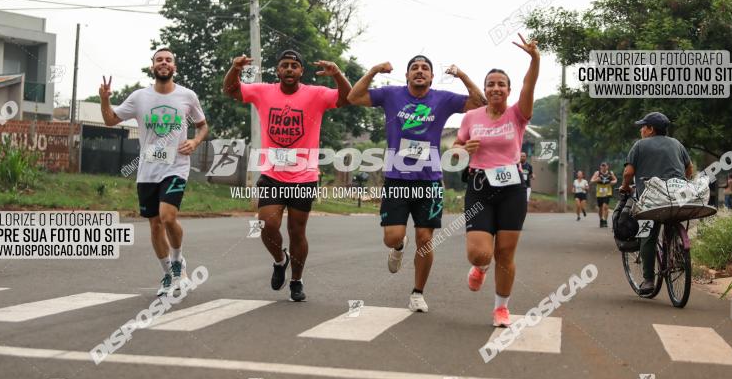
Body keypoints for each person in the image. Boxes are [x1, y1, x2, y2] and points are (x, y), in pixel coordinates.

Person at [347, 57, 486, 313]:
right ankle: (399, 247)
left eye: (425, 69)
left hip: (429, 180)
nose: (420, 72)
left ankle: (417, 292)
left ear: (431, 77)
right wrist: (375, 70)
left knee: (425, 239)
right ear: (407, 75)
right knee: (392, 237)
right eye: (415, 68)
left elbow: (480, 102)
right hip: (397, 178)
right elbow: (354, 97)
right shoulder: (391, 94)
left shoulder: (442, 99)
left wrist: (462, 75)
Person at [223, 49, 350, 302]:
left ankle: (296, 280)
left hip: (304, 175)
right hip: (272, 174)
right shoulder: (263, 91)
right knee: (267, 224)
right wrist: (235, 68)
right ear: (278, 71)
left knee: (296, 231)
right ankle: (280, 260)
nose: (289, 69)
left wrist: (337, 74)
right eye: (285, 65)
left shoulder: (316, 94)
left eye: (294, 65)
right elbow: (231, 90)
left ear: (301, 71)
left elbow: (347, 98)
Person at [99, 48, 208, 296]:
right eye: (159, 59)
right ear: (153, 66)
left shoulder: (187, 96)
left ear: (174, 67)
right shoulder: (139, 97)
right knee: (155, 226)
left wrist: (195, 141)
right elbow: (110, 120)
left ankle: (179, 262)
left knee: (168, 217)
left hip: (177, 167)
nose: (164, 63)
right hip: (148, 170)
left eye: (169, 59)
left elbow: (202, 126)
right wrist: (105, 99)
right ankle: (168, 273)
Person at [453, 34, 540, 327]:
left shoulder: (518, 114)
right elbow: (454, 151)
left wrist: (534, 59)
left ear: (508, 90)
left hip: (512, 189)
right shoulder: (471, 117)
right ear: (486, 88)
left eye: (501, 84)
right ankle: (480, 267)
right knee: (479, 252)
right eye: (491, 84)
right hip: (479, 187)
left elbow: (529, 86)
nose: (495, 88)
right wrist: (463, 150)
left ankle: (501, 307)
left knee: (505, 251)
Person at [619, 112, 694, 294]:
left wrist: (624, 187)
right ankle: (675, 249)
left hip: (651, 202)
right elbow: (689, 168)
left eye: (643, 126)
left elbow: (628, 173)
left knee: (647, 235)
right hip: (677, 198)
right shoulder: (677, 144)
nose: (641, 129)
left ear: (651, 129)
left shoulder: (639, 145)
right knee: (671, 221)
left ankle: (648, 280)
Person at [591, 162, 617, 227]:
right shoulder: (597, 173)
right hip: (599, 193)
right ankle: (601, 220)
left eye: (605, 166)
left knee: (605, 206)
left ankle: (605, 220)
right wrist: (596, 180)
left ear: (607, 167)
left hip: (607, 192)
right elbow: (591, 181)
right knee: (600, 208)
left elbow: (615, 180)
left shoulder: (610, 173)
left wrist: (612, 182)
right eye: (602, 166)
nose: (603, 167)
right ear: (600, 167)